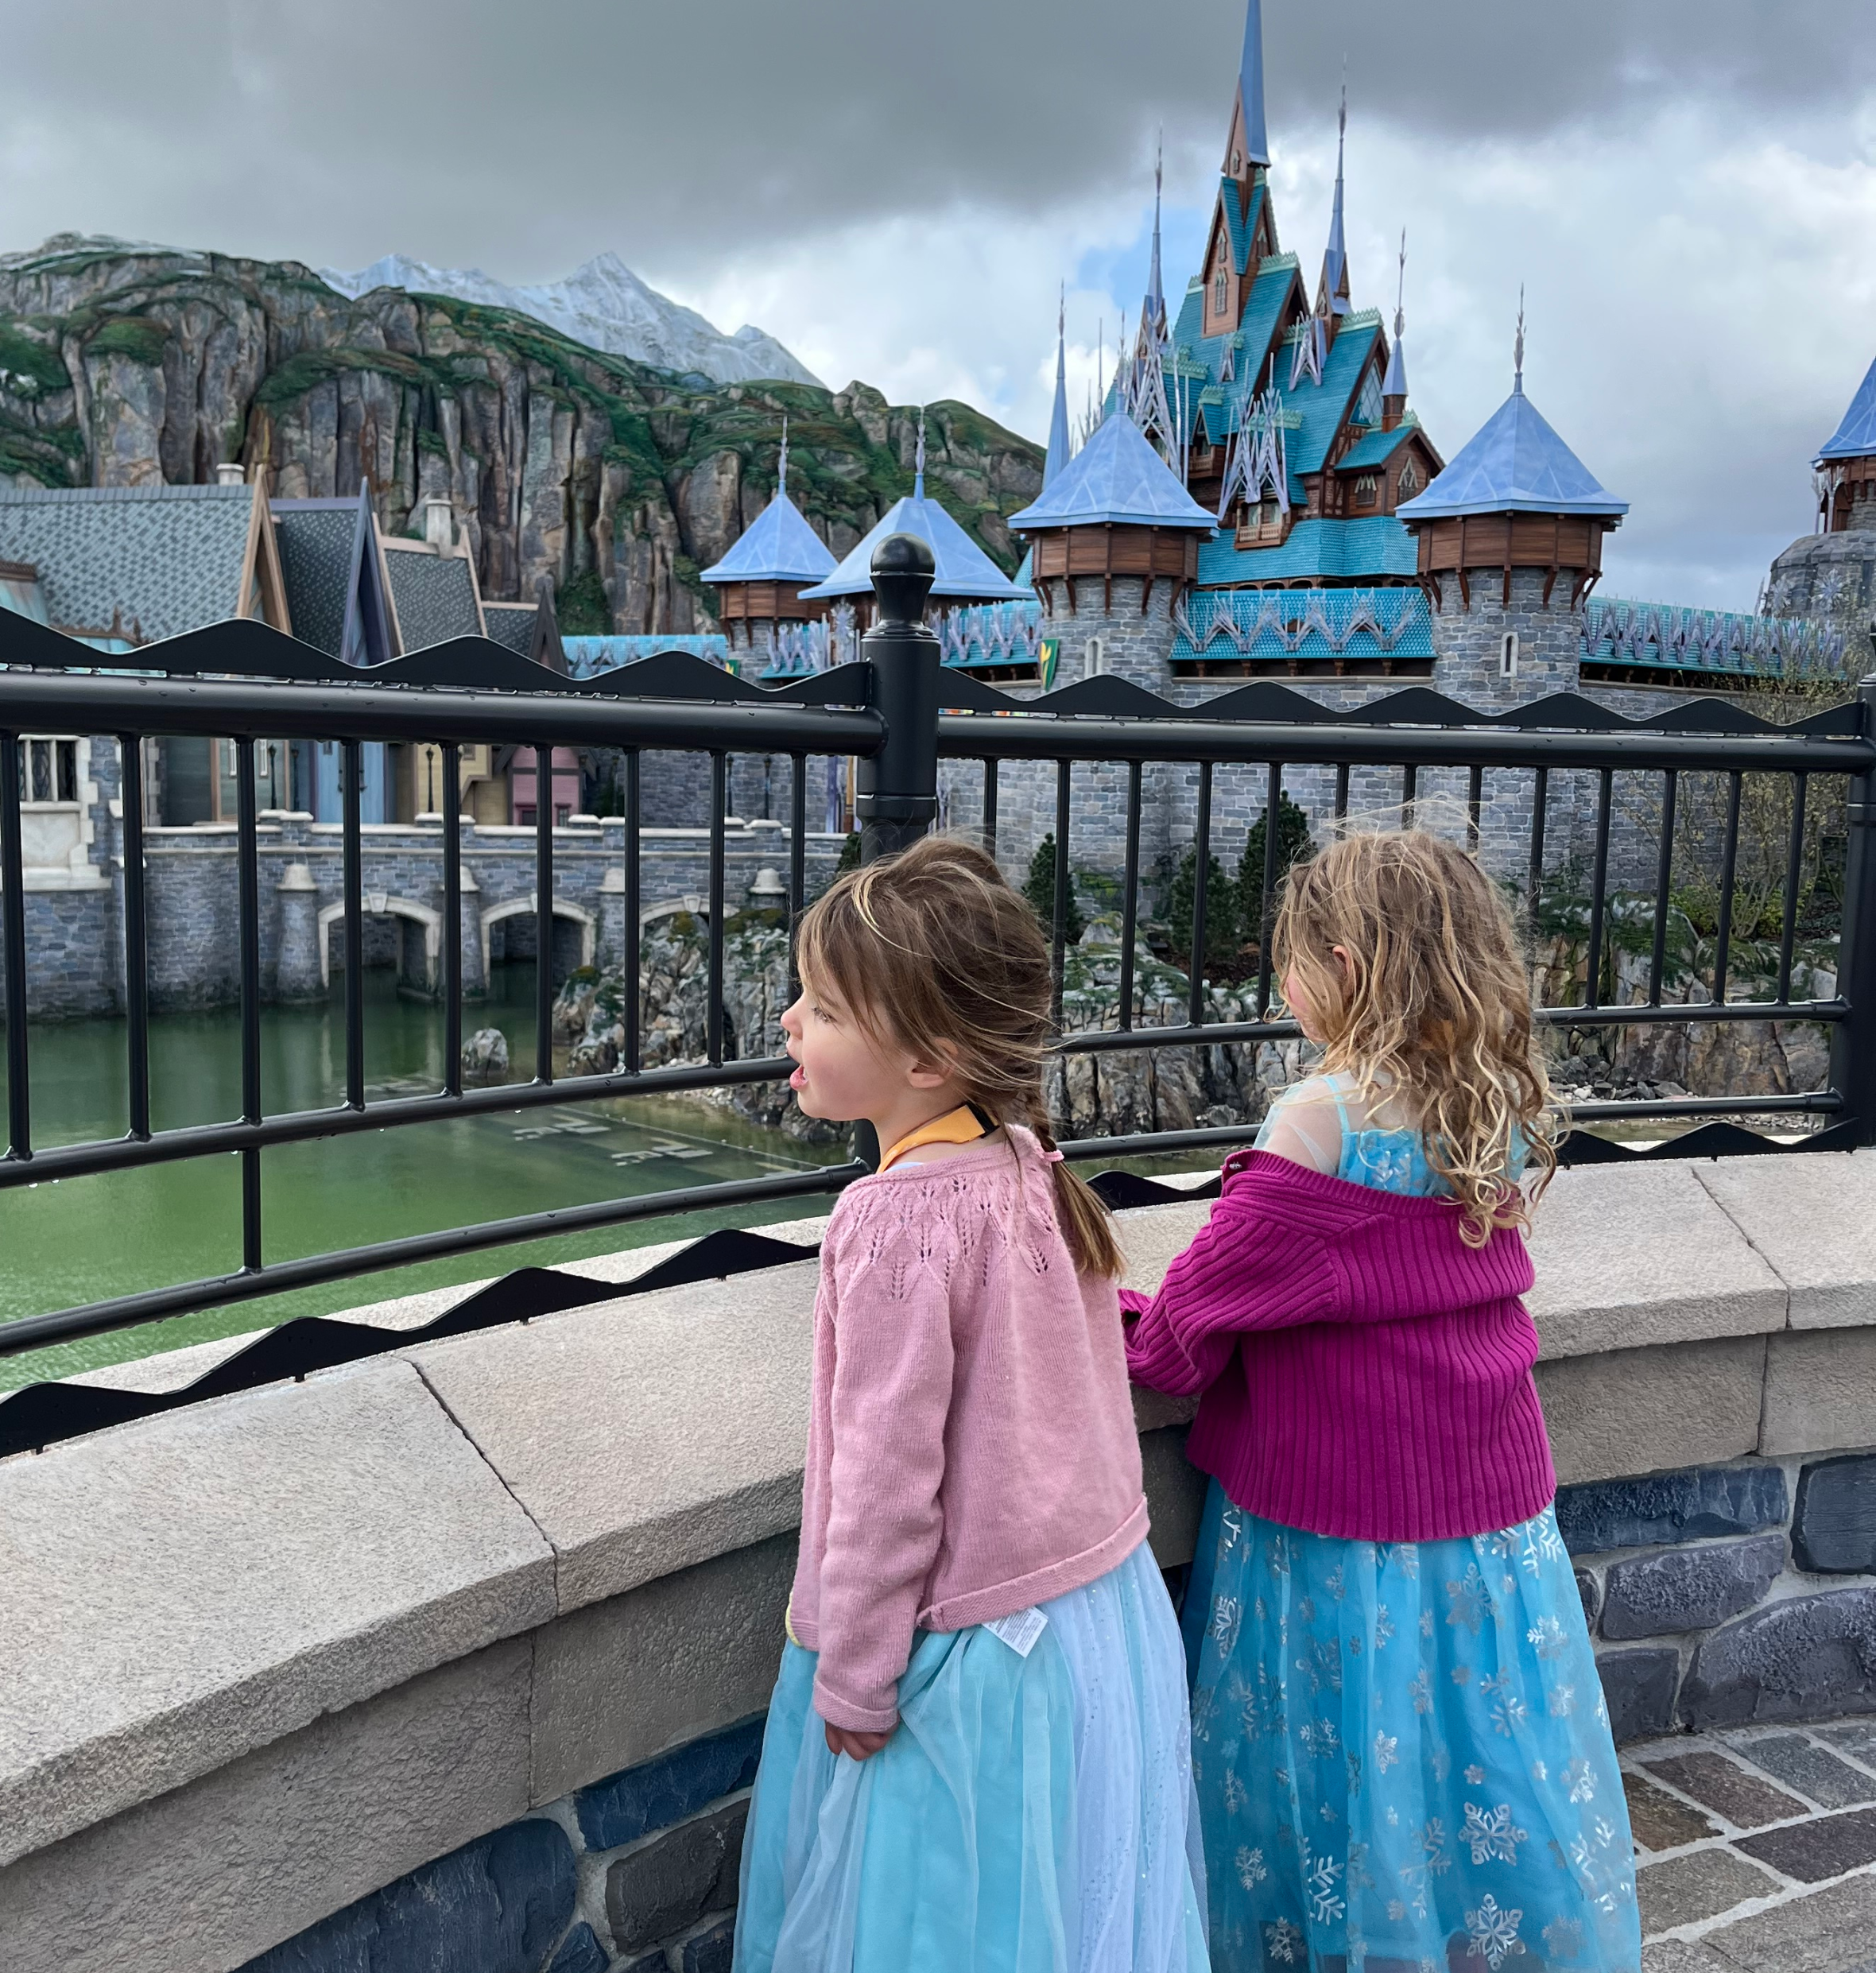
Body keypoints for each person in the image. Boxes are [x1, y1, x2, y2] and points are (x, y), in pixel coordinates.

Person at [1123, 830, 1639, 1973]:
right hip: (1489, 1525)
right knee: (1478, 1769)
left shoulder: (1320, 1120)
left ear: (1346, 968)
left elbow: (1179, 1338)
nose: (1281, 987)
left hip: (1327, 1539)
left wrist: (1101, 1314)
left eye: (1290, 965)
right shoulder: (1496, 1106)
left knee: (1347, 1778)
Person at [734, 834, 1211, 1973]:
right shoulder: (1029, 1165)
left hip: (972, 1652)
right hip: (1099, 1616)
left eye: (826, 1006)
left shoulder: (891, 1221)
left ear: (929, 1058)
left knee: (935, 1919)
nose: (791, 1020)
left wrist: (854, 1672)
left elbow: (886, 1480)